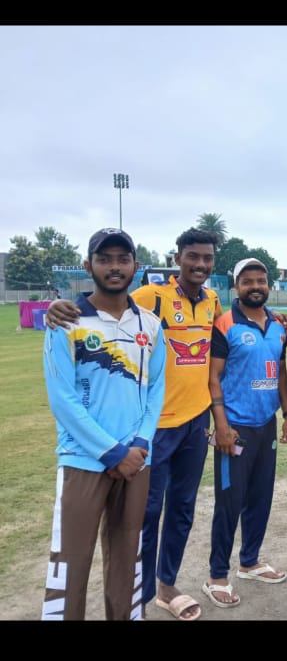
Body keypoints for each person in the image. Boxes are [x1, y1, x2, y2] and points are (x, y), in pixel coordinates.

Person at [46, 228, 221, 622]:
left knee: (172, 517)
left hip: (179, 428)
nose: (200, 264)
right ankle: (140, 599)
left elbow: (165, 378)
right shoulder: (146, 298)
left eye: (207, 258)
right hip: (130, 441)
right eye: (192, 256)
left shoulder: (207, 302)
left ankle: (165, 588)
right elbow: (63, 396)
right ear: (177, 259)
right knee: (111, 538)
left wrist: (276, 317)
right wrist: (57, 305)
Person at [41, 229, 166, 621]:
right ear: (88, 265)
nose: (115, 267)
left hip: (137, 459)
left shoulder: (150, 324)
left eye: (123, 259)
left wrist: (140, 444)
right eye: (104, 258)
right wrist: (112, 452)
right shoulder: (65, 322)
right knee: (71, 564)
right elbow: (62, 399)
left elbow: (156, 390)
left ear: (135, 266)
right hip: (84, 459)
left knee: (127, 560)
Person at [202, 259, 287, 609]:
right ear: (236, 286)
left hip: (265, 424)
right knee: (230, 502)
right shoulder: (225, 324)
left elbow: (281, 372)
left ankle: (250, 562)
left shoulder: (277, 325)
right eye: (247, 281)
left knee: (260, 497)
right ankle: (216, 576)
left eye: (261, 280)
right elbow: (213, 378)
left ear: (268, 285)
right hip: (235, 428)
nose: (255, 286)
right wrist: (222, 426)